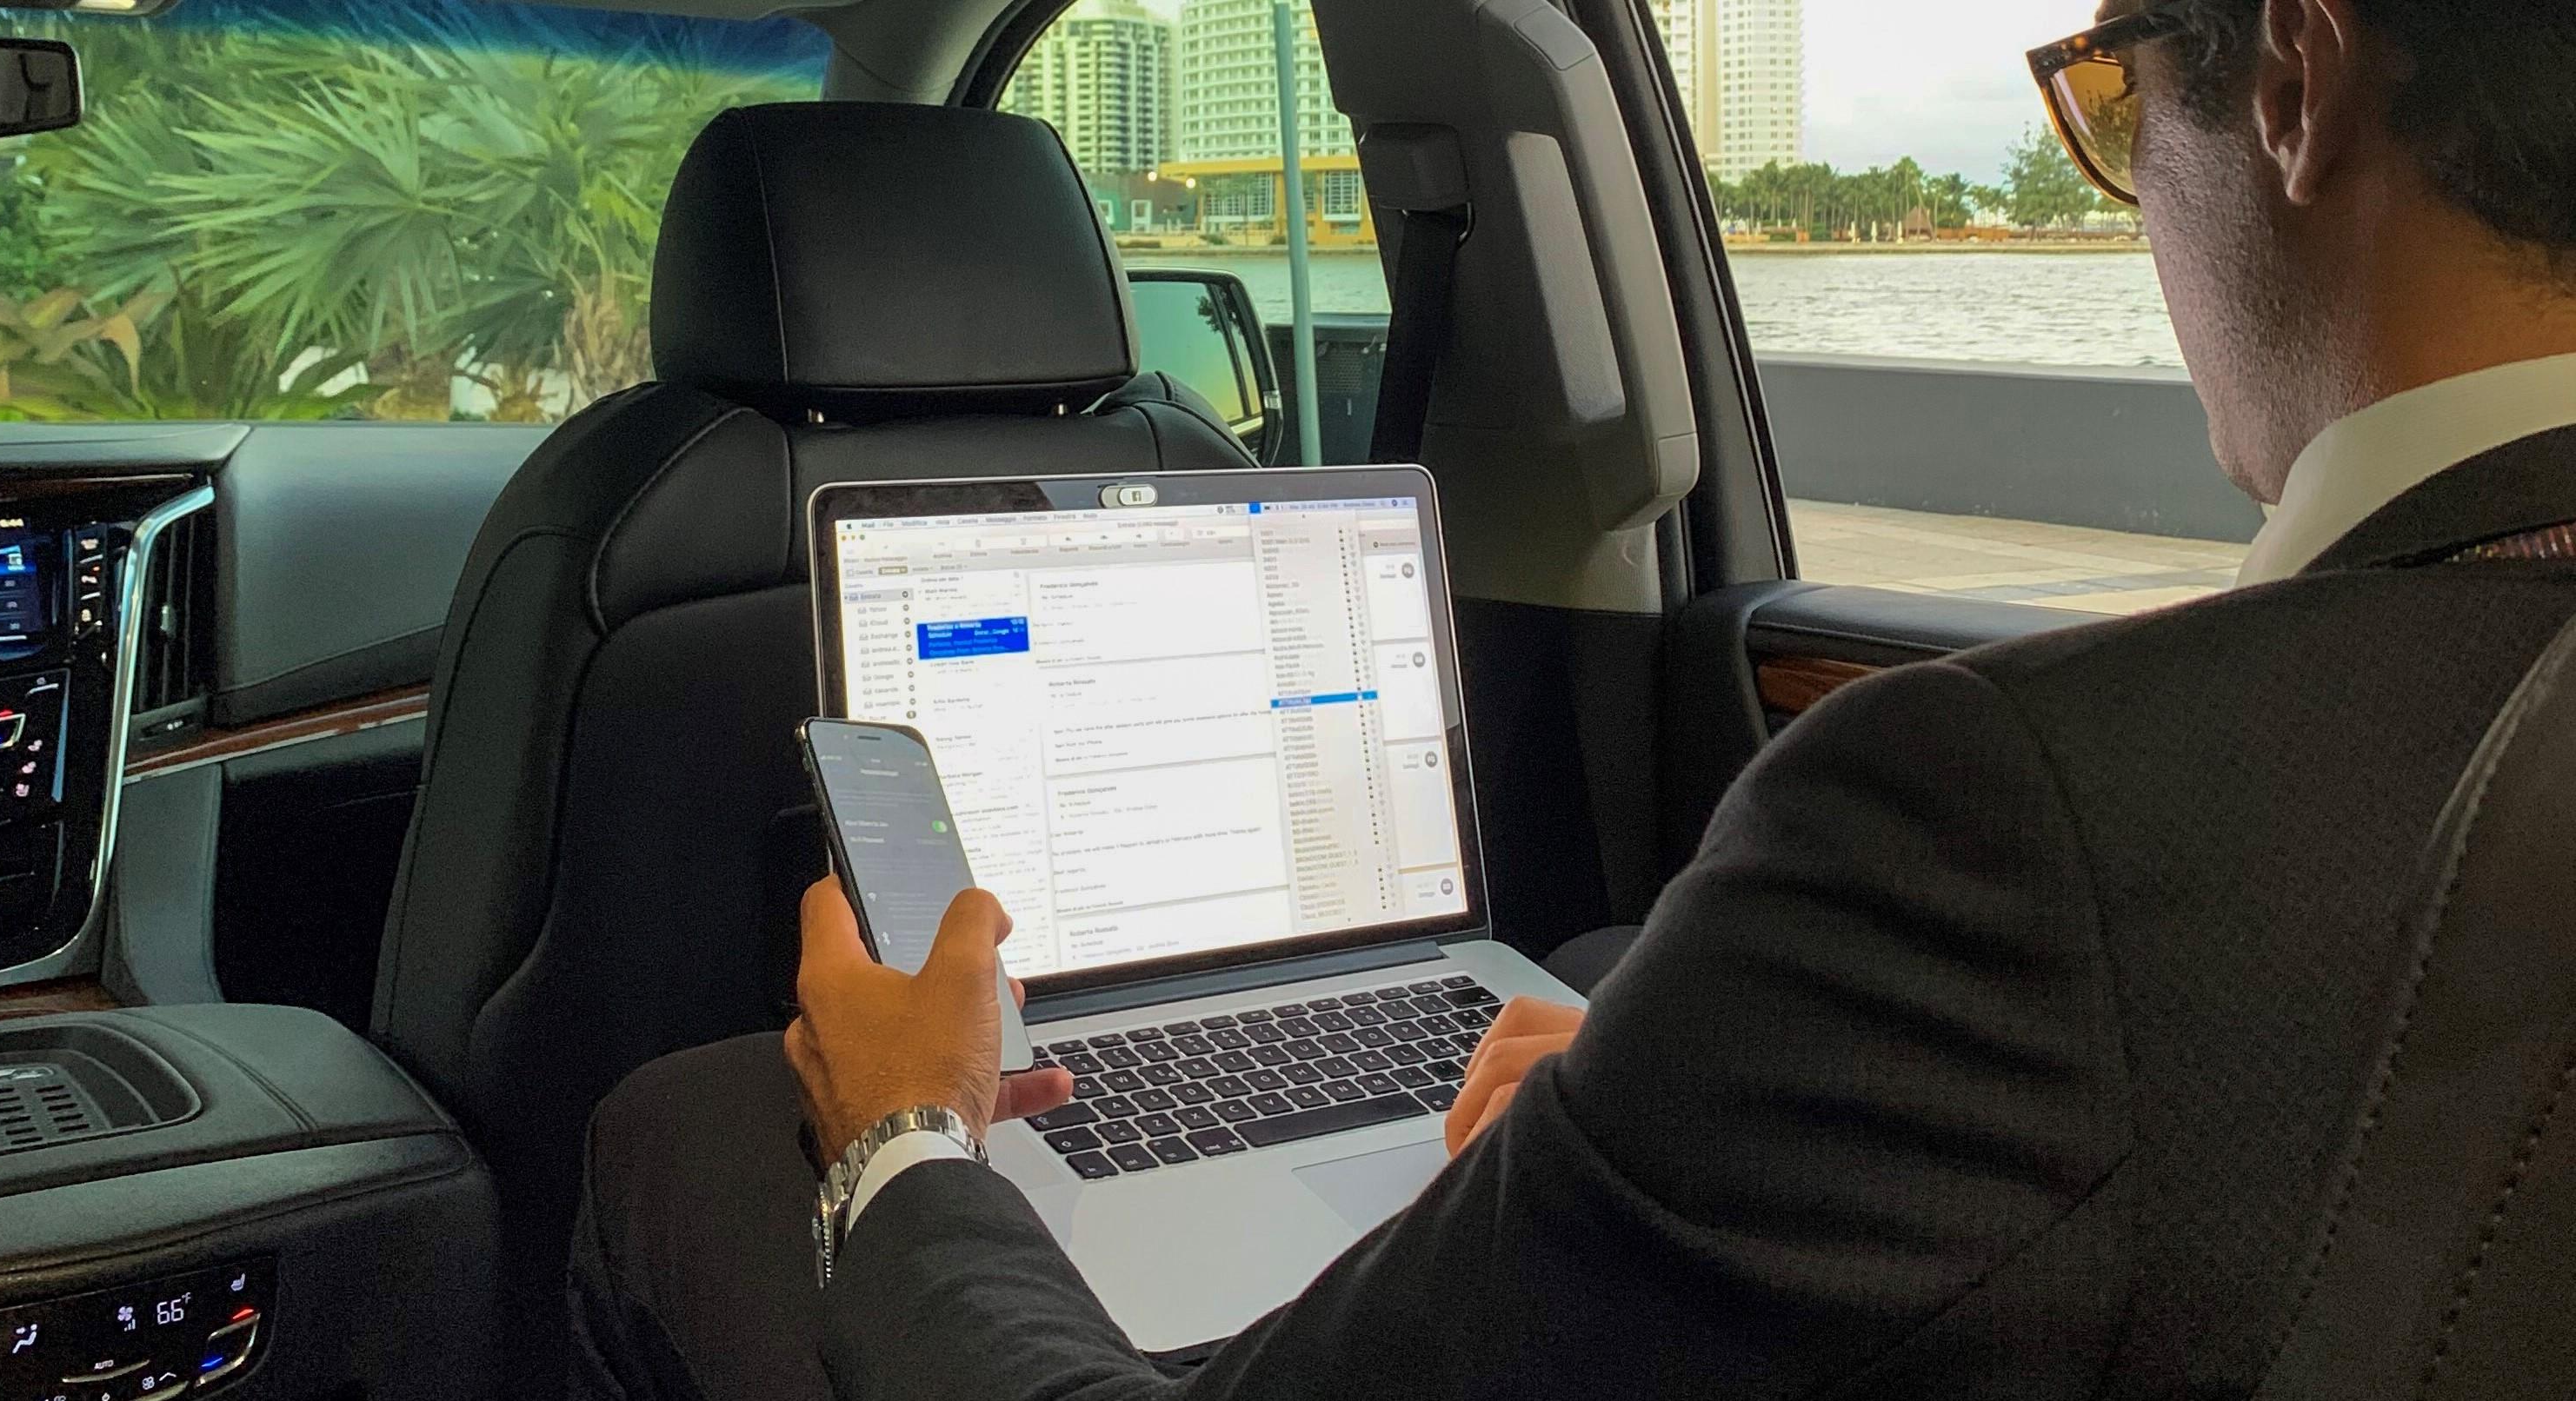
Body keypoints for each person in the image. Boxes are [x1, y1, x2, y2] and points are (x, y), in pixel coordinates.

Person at [570, 0, 2576, 1394]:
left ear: (2295, 78)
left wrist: (912, 1130)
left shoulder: (2005, 810)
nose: (2128, 198)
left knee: (684, 1138)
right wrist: (1655, 1141)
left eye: (2116, 107)